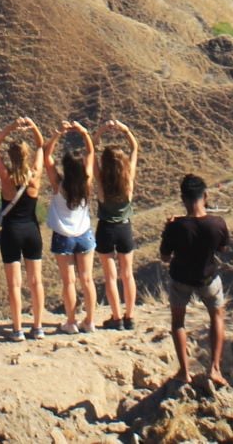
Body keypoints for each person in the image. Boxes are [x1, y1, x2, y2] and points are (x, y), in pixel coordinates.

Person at [160, 173, 230, 385]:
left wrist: (167, 229)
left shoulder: (175, 226)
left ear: (183, 199)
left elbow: (165, 257)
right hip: (208, 278)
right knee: (217, 317)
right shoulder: (217, 223)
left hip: (180, 278)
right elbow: (223, 249)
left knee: (178, 322)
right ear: (205, 196)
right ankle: (215, 369)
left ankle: (184, 372)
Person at [44, 120, 98, 334]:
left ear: (65, 167)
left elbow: (47, 158)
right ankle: (90, 321)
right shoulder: (87, 183)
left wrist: (57, 134)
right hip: (84, 234)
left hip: (63, 236)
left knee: (69, 282)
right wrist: (84, 132)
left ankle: (71, 321)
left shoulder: (59, 184)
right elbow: (92, 154)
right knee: (87, 279)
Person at [0, 117, 46, 342]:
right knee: (36, 281)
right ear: (27, 155)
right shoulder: (35, 175)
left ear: (11, 157)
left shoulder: (6, 178)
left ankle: (17, 330)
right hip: (31, 231)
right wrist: (33, 126)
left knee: (14, 283)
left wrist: (9, 128)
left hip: (11, 232)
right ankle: (37, 326)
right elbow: (42, 146)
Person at [96, 118, 141, 331]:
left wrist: (101, 131)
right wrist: (124, 129)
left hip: (105, 228)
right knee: (127, 274)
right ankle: (129, 316)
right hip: (124, 227)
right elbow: (134, 147)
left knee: (110, 276)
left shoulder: (101, 180)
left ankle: (116, 317)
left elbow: (90, 150)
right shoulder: (128, 179)